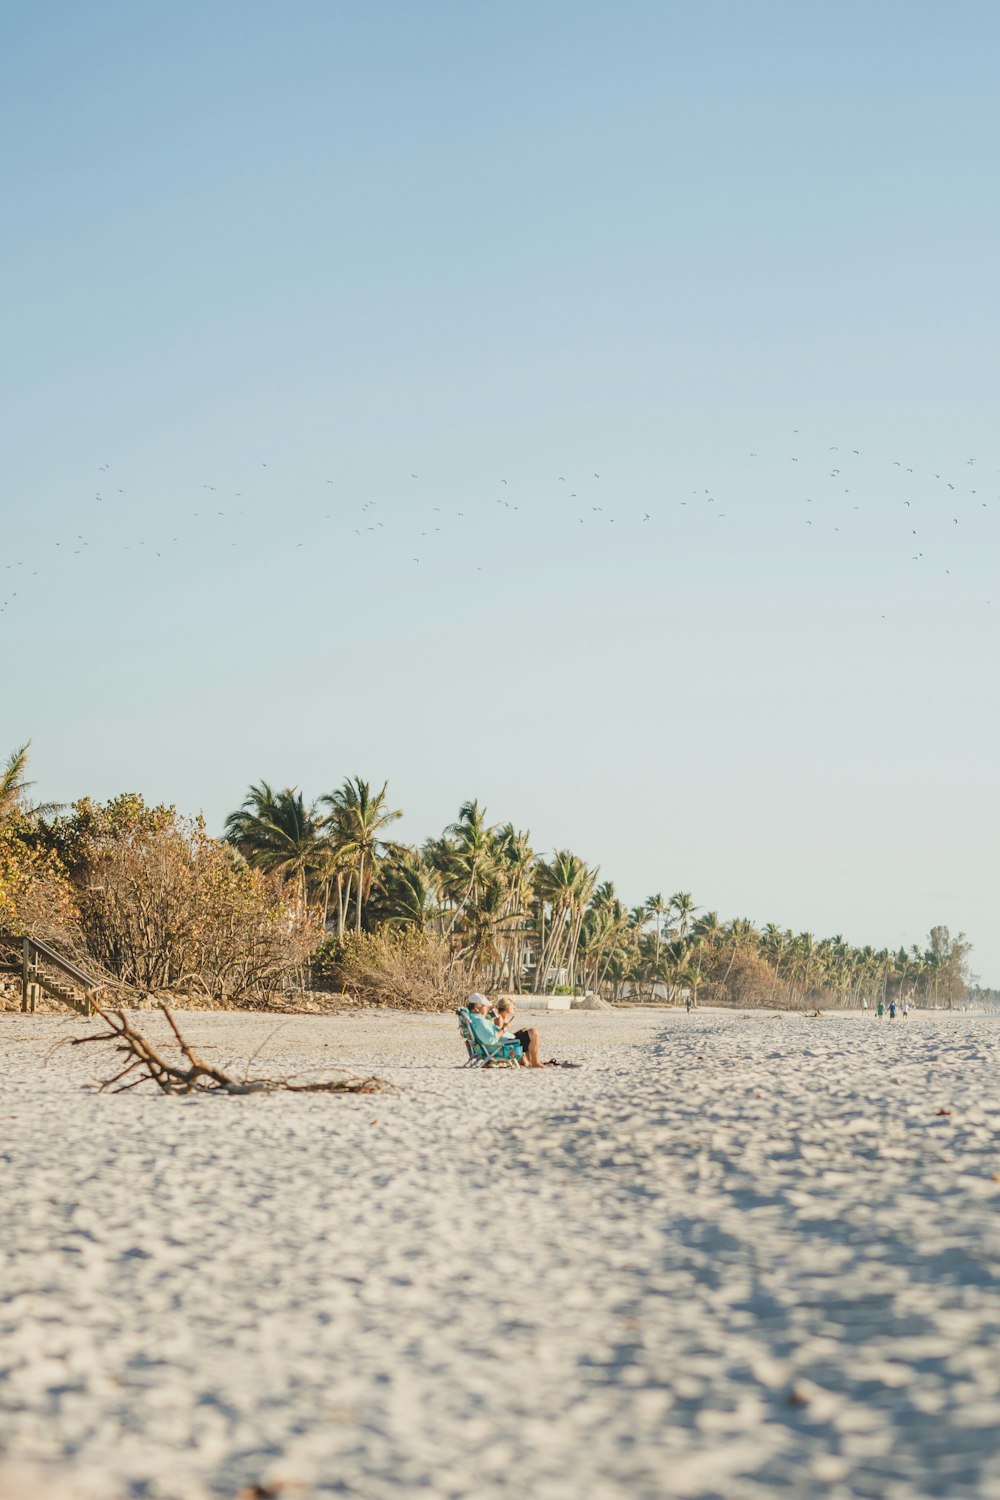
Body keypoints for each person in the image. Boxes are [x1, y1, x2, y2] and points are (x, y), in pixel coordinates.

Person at [494, 998, 545, 1068]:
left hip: (507, 1041)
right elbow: (499, 1036)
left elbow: (504, 1034)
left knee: (527, 1030)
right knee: (534, 1032)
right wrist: (505, 1027)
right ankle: (535, 1062)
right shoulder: (499, 1018)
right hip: (505, 1045)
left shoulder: (502, 1017)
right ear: (507, 1008)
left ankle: (532, 1061)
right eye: (513, 1008)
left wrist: (519, 1032)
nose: (514, 1009)